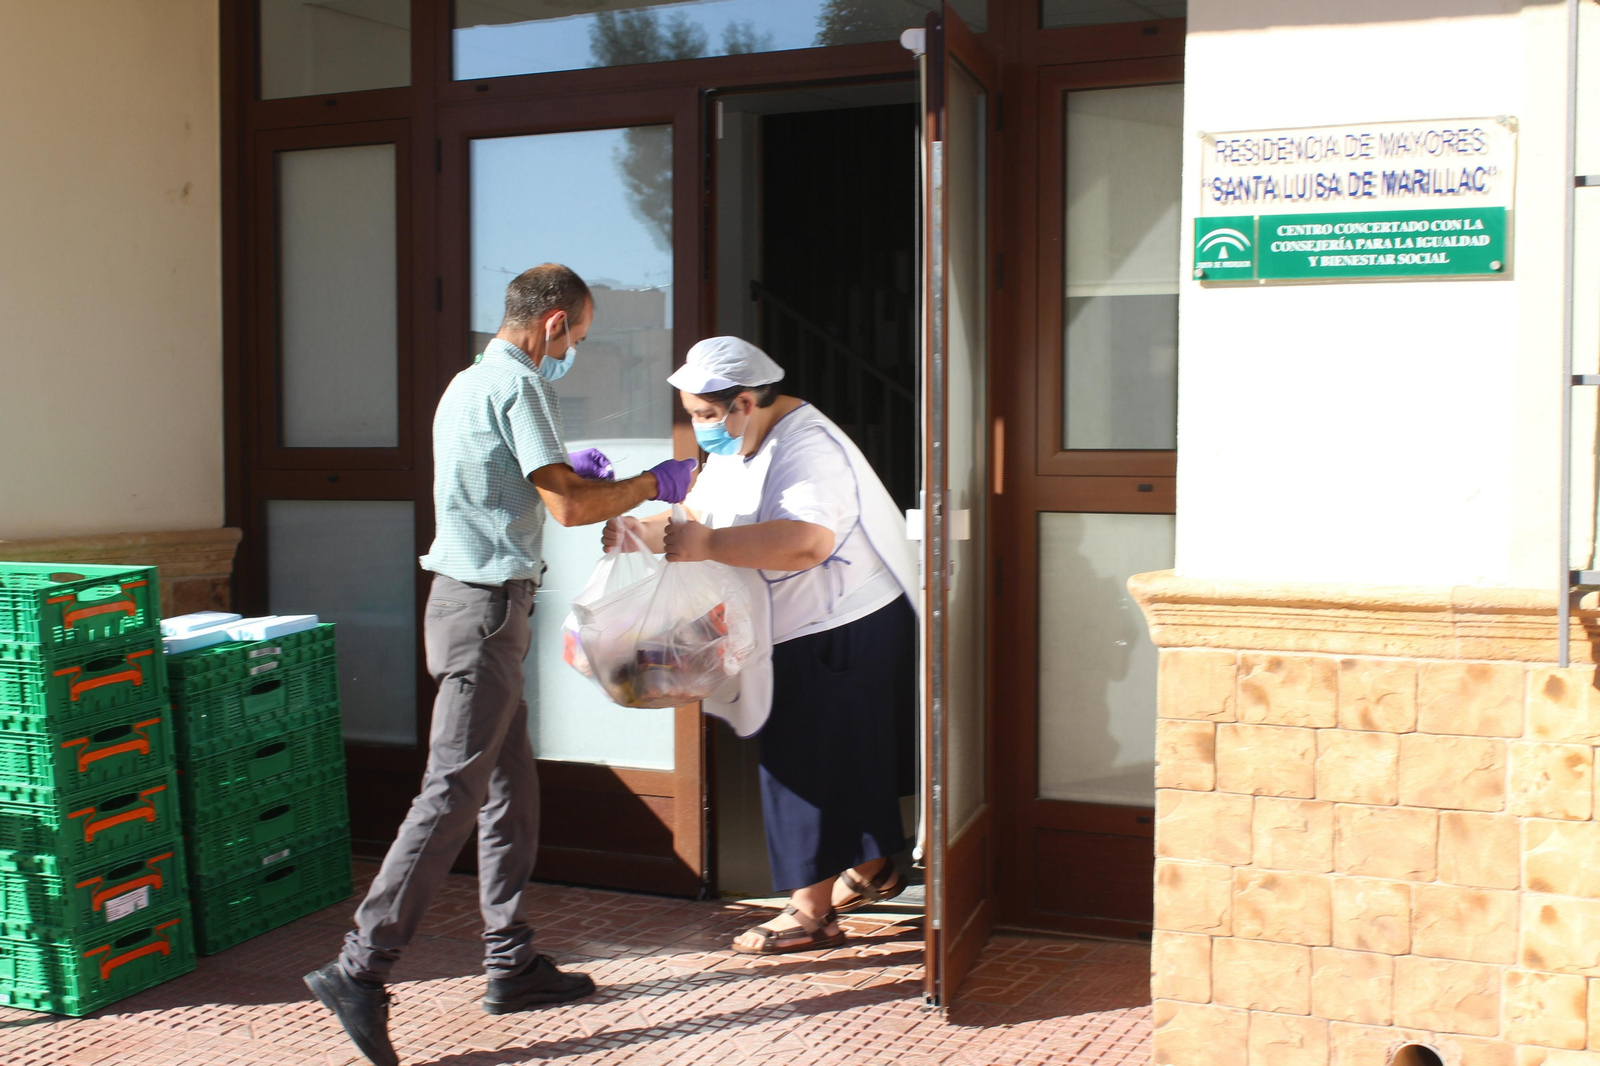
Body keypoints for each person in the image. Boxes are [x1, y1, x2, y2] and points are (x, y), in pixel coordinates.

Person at [304, 264, 697, 1066]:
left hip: (474, 607)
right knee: (452, 789)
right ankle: (360, 969)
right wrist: (653, 482)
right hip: (484, 614)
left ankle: (510, 962)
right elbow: (569, 506)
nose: (574, 355)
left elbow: (514, 489)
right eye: (578, 339)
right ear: (552, 323)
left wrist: (576, 477)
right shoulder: (522, 388)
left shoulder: (466, 382)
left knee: (510, 786)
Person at [604, 337, 918, 954]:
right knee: (837, 760)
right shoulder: (741, 441)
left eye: (702, 414)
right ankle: (875, 868)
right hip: (798, 624)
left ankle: (810, 914)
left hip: (839, 626)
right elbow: (699, 508)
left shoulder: (808, 447)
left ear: (743, 402)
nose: (698, 427)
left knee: (803, 764)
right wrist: (643, 530)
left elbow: (807, 541)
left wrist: (709, 547)